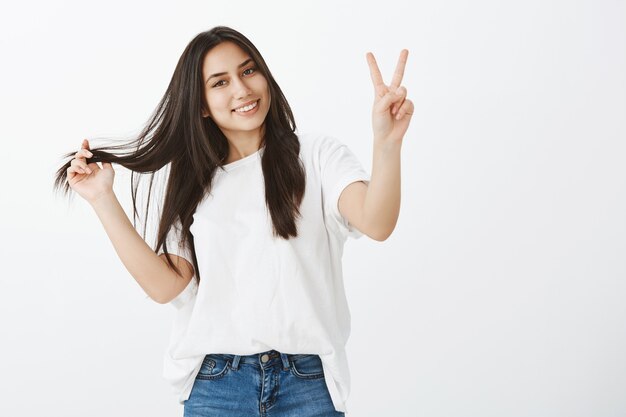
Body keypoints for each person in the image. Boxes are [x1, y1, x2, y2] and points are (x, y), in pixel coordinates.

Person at [53, 26, 413, 416]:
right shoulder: (193, 184)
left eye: (248, 71)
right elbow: (166, 287)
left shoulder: (316, 156)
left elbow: (377, 223)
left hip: (307, 386)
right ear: (202, 104)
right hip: (218, 387)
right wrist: (103, 199)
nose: (242, 90)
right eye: (220, 82)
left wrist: (387, 142)